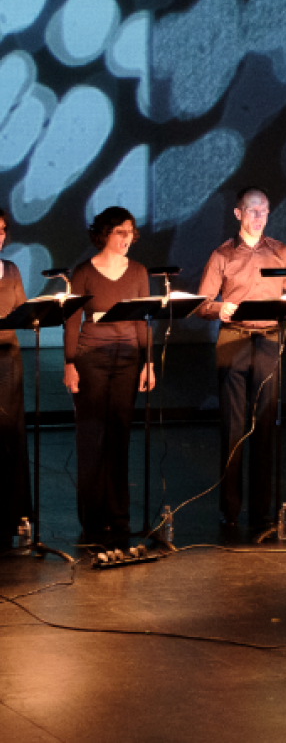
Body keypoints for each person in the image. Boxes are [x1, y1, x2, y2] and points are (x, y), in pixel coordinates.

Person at [197, 186, 286, 533]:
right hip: (234, 340)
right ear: (238, 214)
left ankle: (262, 511)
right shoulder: (222, 254)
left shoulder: (280, 251)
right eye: (253, 211)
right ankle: (230, 510)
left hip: (269, 341)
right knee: (233, 428)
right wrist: (220, 308)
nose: (259, 218)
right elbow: (201, 303)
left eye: (265, 211)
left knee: (264, 427)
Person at [63, 207, 155, 541]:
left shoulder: (139, 271)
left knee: (119, 437)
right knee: (91, 439)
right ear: (105, 233)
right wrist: (70, 363)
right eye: (120, 232)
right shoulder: (84, 271)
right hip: (92, 359)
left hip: (129, 358)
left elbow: (143, 319)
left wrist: (149, 362)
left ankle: (119, 516)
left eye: (130, 231)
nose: (127, 238)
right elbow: (73, 319)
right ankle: (92, 517)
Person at [0, 209, 32, 550]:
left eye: (3, 229)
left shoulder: (10, 270)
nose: (0, 235)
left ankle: (13, 516)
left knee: (10, 438)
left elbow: (22, 311)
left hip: (8, 360)